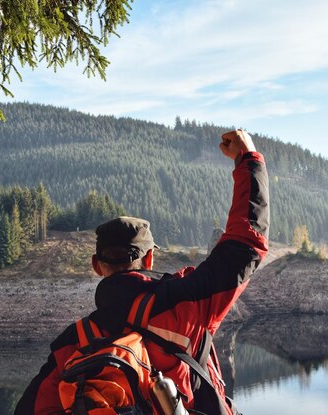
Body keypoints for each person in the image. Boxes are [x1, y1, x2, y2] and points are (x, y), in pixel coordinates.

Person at [14, 129, 269, 415]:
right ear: (149, 259)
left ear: (97, 266)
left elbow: (29, 408)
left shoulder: (73, 342)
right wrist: (248, 159)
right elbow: (245, 244)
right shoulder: (185, 304)